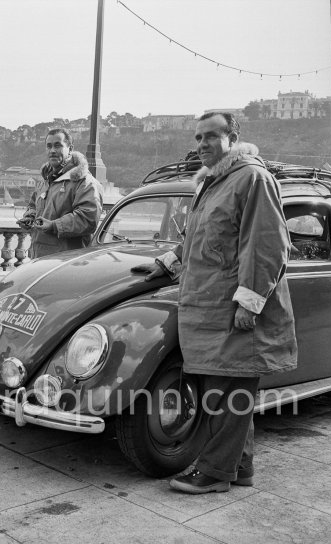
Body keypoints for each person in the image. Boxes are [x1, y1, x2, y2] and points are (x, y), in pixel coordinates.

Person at [132, 112, 297, 494]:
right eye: (197, 137)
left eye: (210, 136)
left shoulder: (252, 179)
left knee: (224, 395)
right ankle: (241, 468)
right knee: (227, 395)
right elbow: (199, 241)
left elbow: (268, 246)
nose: (201, 144)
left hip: (231, 310)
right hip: (209, 308)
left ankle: (213, 472)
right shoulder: (214, 182)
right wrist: (167, 262)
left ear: (233, 137)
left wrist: (249, 303)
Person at [18, 128, 103, 258]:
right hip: (38, 256)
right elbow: (33, 205)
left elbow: (88, 218)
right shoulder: (44, 181)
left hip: (65, 262)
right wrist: (29, 217)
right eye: (49, 146)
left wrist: (54, 225)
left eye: (58, 145)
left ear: (70, 148)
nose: (52, 150)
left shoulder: (85, 181)